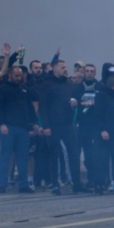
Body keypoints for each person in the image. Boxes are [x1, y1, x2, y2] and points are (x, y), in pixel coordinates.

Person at [37, 60, 83, 194]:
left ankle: (77, 183)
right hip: (53, 125)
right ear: (55, 69)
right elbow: (43, 107)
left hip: (68, 124)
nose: (65, 69)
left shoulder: (68, 83)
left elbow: (73, 100)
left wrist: (75, 103)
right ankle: (55, 184)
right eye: (63, 67)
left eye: (66, 67)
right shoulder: (46, 85)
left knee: (74, 154)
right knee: (54, 155)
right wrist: (45, 126)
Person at [0, 66, 38, 193]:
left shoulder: (24, 89)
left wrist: (34, 122)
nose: (19, 78)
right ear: (9, 75)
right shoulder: (2, 89)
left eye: (21, 76)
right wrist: (2, 124)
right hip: (8, 127)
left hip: (23, 128)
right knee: (5, 157)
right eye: (16, 76)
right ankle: (2, 184)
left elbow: (29, 107)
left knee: (23, 157)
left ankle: (23, 185)